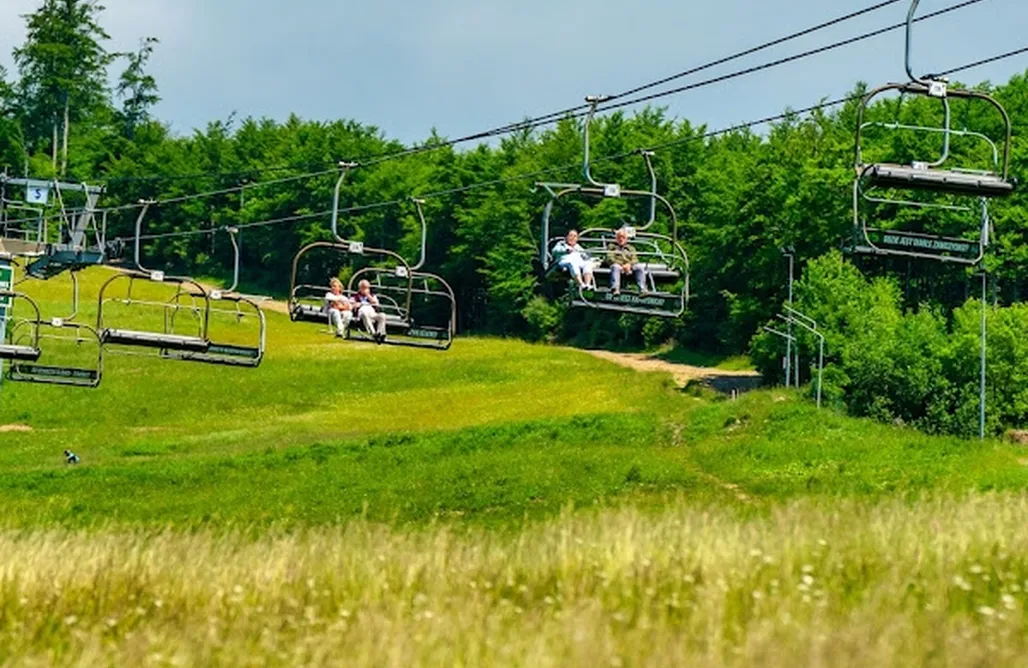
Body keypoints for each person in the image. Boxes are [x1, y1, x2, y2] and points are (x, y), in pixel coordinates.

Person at [606, 228, 648, 295]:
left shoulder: (630, 248)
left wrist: (629, 264)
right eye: (619, 237)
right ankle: (615, 288)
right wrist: (622, 265)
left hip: (629, 266)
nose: (621, 239)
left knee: (639, 267)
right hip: (618, 265)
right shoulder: (612, 247)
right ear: (616, 238)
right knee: (615, 267)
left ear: (626, 239)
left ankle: (642, 289)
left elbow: (635, 259)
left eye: (623, 237)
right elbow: (610, 258)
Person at [353, 279, 388, 343]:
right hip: (362, 313)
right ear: (360, 288)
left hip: (372, 313)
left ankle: (380, 333)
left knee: (382, 315)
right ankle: (373, 334)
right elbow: (352, 305)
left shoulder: (372, 296)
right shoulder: (355, 296)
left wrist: (368, 295)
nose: (366, 289)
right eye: (364, 287)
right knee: (364, 313)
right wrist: (358, 304)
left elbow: (376, 303)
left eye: (367, 287)